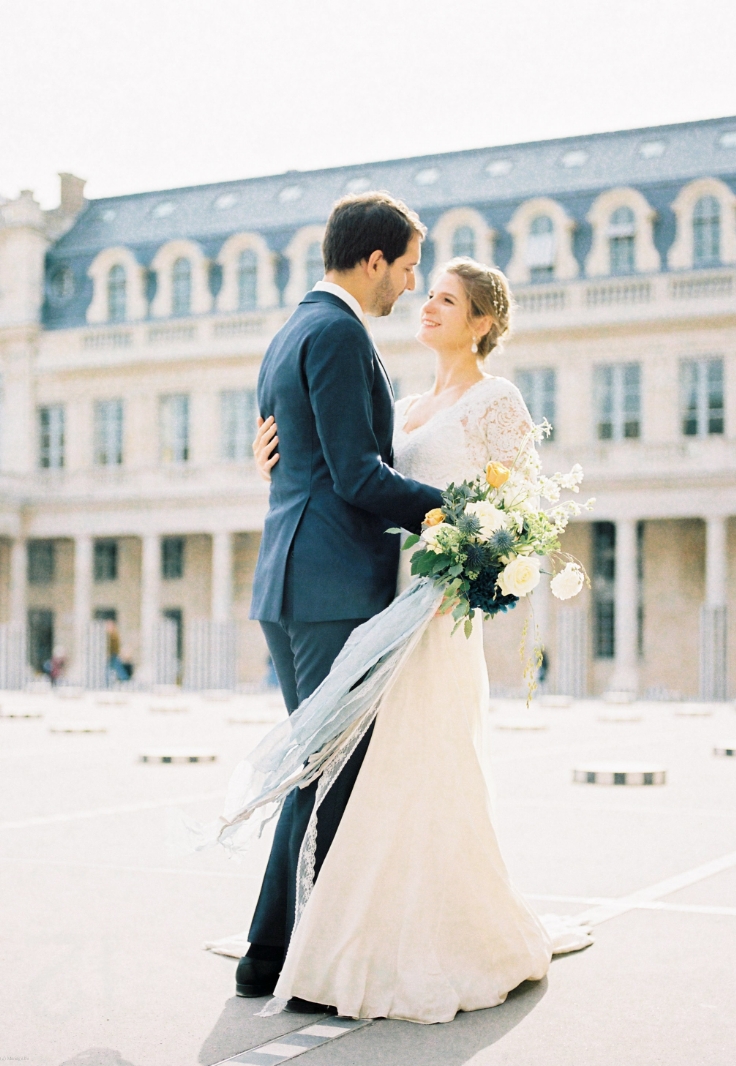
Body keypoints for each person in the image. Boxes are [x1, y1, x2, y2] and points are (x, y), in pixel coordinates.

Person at [249, 256, 592, 1023]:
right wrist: (277, 462)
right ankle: (349, 930)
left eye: (446, 300)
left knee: (428, 765)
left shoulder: (498, 399)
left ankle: (428, 933)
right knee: (368, 776)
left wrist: (474, 563)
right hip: (380, 606)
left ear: (482, 323)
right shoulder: (402, 406)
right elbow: (354, 481)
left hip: (438, 615)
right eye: (426, 292)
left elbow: (524, 513)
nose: (426, 305)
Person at [238, 193, 443, 1007]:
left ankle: (271, 954)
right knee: (333, 774)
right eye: (408, 266)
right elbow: (357, 476)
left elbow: (293, 459)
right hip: (328, 584)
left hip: (291, 579)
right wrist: (459, 512)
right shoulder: (336, 333)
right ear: (373, 260)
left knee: (317, 769)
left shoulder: (290, 332)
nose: (411, 283)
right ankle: (302, 963)